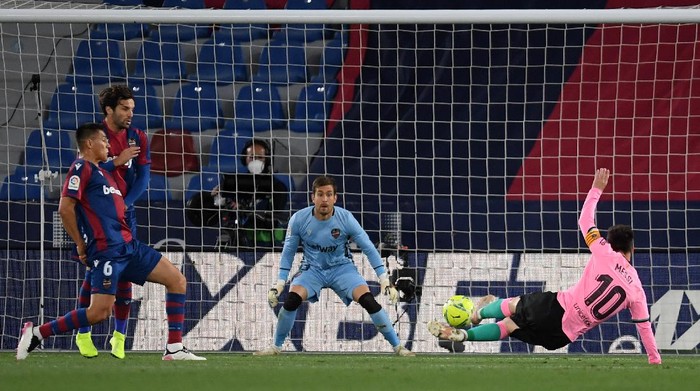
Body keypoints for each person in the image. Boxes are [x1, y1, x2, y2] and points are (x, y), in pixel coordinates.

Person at [428, 168, 661, 365]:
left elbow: (584, 220)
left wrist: (596, 189)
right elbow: (643, 327)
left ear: (610, 243)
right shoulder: (637, 290)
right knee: (509, 325)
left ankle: (476, 315)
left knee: (512, 306)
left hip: (556, 308)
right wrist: (654, 359)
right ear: (633, 249)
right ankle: (465, 333)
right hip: (561, 337)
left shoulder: (603, 250)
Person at [16, 123, 204, 361]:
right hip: (107, 251)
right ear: (89, 143)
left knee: (177, 280)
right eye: (103, 140)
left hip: (129, 246)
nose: (108, 144)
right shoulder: (80, 167)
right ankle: (36, 333)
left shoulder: (104, 174)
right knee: (98, 313)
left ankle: (174, 347)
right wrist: (80, 244)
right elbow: (65, 209)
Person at [254, 175, 415, 356]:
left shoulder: (345, 218)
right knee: (291, 301)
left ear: (335, 198)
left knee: (369, 301)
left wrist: (384, 278)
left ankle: (398, 347)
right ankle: (276, 347)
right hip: (312, 269)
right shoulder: (298, 219)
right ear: (312, 197)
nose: (324, 199)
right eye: (320, 194)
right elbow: (288, 252)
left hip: (342, 269)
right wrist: (280, 282)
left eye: (329, 194)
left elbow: (368, 247)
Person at [73, 85, 151, 359]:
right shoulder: (95, 137)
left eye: (132, 108)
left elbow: (143, 177)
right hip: (97, 212)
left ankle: (119, 337)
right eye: (125, 108)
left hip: (124, 213)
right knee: (97, 271)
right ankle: (83, 334)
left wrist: (126, 204)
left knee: (125, 269)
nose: (131, 113)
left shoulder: (138, 136)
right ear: (109, 110)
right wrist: (116, 162)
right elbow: (86, 169)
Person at [186, 139, 288, 247]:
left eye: (260, 157)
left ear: (267, 160)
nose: (255, 161)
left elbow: (275, 215)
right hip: (238, 236)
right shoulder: (233, 183)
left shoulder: (277, 187)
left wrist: (245, 209)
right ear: (245, 159)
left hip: (268, 240)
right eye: (251, 157)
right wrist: (220, 198)